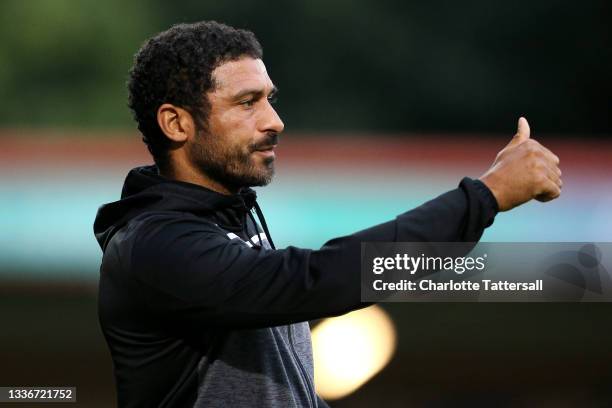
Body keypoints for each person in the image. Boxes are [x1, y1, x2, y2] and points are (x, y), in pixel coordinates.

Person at [93, 21, 562, 408]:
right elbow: (317, 279)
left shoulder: (232, 219)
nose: (274, 120)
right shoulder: (154, 246)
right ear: (177, 123)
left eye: (269, 98)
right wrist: (484, 198)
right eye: (247, 102)